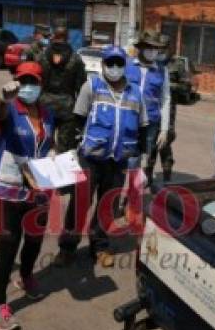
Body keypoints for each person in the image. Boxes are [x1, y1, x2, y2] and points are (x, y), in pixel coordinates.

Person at [55, 45, 147, 268]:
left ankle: (100, 246)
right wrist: (68, 152)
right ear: (103, 64)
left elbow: (142, 126)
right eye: (110, 63)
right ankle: (67, 247)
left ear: (124, 66)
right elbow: (77, 119)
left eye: (119, 63)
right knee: (80, 204)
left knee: (108, 205)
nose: (114, 67)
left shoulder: (135, 92)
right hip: (91, 158)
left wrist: (141, 154)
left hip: (119, 160)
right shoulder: (92, 86)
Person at [0, 61, 55, 330]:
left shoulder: (47, 114)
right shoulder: (9, 111)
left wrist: (54, 159)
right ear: (15, 81)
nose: (28, 87)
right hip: (8, 189)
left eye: (34, 82)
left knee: (35, 240)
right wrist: (2, 101)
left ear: (41, 85)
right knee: (8, 246)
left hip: (38, 188)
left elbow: (49, 143)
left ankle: (26, 278)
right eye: (23, 81)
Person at [125, 30, 171, 187]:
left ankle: (132, 196)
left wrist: (164, 129)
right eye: (149, 47)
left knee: (142, 158)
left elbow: (165, 99)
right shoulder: (127, 65)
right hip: (127, 118)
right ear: (141, 47)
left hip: (150, 122)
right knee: (125, 158)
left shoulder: (162, 71)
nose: (152, 51)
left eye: (155, 48)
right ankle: (124, 190)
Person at [39, 27, 87, 153]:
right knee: (64, 148)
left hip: (44, 105)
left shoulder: (42, 56)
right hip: (67, 107)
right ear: (68, 38)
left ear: (53, 36)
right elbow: (81, 87)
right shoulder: (76, 59)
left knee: (42, 143)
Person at [156, 35, 177, 182]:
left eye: (164, 47)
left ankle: (167, 175)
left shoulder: (177, 65)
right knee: (150, 142)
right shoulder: (153, 62)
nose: (161, 50)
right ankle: (148, 173)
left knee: (165, 142)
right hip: (151, 107)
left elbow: (186, 86)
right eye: (159, 47)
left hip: (169, 108)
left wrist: (170, 87)